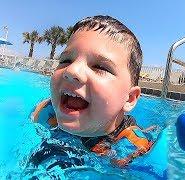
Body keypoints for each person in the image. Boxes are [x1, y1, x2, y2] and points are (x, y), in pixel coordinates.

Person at [30, 15, 157, 168]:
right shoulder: (46, 111)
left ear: (129, 99)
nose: (71, 70)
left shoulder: (132, 146)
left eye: (100, 67)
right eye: (65, 61)